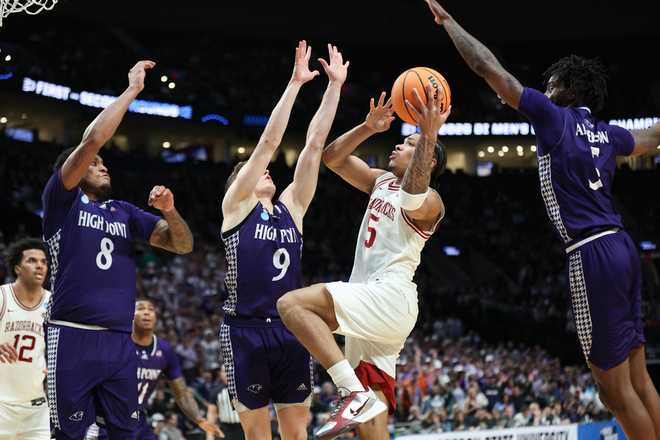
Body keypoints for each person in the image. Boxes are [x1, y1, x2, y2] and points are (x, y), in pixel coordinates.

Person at [421, 1, 660, 439]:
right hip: (624, 247)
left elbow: (485, 65)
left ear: (568, 90)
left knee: (614, 390)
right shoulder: (607, 133)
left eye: (550, 84)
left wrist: (451, 24)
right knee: (639, 377)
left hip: (591, 253)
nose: (544, 89)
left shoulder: (554, 118)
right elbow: (653, 137)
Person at [277, 83, 450, 439]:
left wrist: (428, 134)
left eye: (410, 145)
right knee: (371, 426)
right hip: (373, 302)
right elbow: (333, 158)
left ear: (429, 159)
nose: (399, 145)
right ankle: (359, 396)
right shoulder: (380, 181)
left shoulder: (431, 200)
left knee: (292, 304)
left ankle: (350, 392)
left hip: (389, 296)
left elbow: (413, 196)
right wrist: (368, 128)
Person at [42, 60, 194, 440]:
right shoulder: (62, 202)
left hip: (117, 341)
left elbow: (183, 245)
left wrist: (170, 211)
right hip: (72, 334)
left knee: (128, 432)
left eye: (105, 164)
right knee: (70, 434)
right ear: (73, 172)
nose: (103, 166)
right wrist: (131, 92)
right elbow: (92, 140)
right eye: (94, 165)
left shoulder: (124, 212)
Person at [219, 41, 348, 440]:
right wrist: (294, 85)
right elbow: (268, 144)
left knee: (297, 431)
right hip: (245, 330)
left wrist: (334, 88)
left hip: (292, 328)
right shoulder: (237, 205)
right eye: (255, 171)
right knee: (256, 434)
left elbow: (312, 147)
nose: (267, 171)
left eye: (267, 171)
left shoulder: (291, 207)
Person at [86, 298, 223, 439]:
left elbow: (181, 393)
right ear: (129, 315)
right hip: (106, 423)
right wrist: (89, 421)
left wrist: (199, 419)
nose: (146, 312)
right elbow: (88, 382)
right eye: (140, 308)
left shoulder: (165, 350)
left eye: (151, 309)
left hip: (136, 422)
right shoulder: (115, 344)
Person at [0, 238, 50, 439]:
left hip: (36, 408)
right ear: (18, 268)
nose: (39, 265)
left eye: (44, 261)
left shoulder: (53, 303)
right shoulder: (3, 297)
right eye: (32, 260)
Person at [206, 367, 243, 440]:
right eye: (224, 371)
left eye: (230, 370)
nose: (227, 373)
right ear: (220, 374)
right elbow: (211, 414)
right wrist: (209, 435)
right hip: (225, 430)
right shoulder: (216, 392)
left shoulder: (245, 389)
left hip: (244, 428)